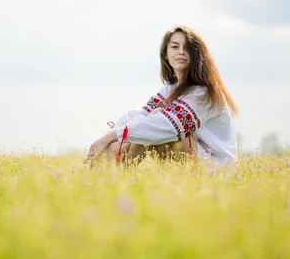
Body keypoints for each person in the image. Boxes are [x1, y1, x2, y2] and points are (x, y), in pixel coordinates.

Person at [84, 25, 239, 167]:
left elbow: (166, 127)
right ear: (165, 54)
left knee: (151, 128)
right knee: (139, 129)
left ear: (197, 54)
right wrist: (108, 139)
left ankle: (116, 174)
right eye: (175, 47)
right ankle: (99, 175)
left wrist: (113, 136)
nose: (181, 52)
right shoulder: (169, 89)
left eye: (187, 48)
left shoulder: (204, 92)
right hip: (192, 161)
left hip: (216, 167)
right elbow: (140, 114)